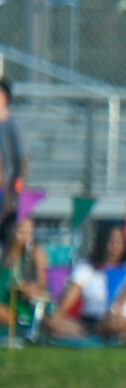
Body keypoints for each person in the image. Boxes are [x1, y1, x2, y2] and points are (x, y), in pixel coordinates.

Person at [45, 223, 126, 345]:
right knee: (52, 322)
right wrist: (58, 315)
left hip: (116, 318)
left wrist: (115, 307)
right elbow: (73, 290)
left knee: (116, 323)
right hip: (89, 322)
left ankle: (90, 336)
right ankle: (91, 335)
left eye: (119, 243)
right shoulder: (87, 266)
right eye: (111, 242)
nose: (115, 247)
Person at [0, 213, 49, 340]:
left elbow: (41, 282)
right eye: (21, 231)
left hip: (21, 306)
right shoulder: (3, 253)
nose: (25, 236)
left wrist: (30, 287)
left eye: (29, 232)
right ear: (9, 230)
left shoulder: (35, 252)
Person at [0, 79, 27, 222]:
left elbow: (22, 157)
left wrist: (18, 182)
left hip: (7, 188)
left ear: (5, 97)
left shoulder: (12, 126)